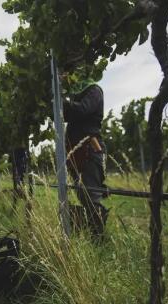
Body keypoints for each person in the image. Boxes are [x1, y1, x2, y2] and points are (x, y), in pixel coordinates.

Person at [63, 79, 109, 239]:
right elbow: (66, 114)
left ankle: (98, 238)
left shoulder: (94, 90)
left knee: (91, 197)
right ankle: (93, 233)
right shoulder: (76, 95)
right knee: (83, 195)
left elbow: (81, 111)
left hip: (90, 150)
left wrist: (60, 101)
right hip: (76, 153)